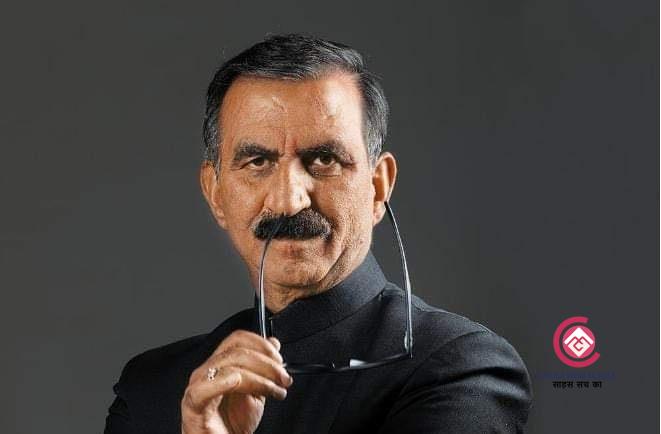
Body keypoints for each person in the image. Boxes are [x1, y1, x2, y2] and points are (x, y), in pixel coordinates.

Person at [103, 34, 533, 434]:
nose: (289, 202)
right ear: (216, 194)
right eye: (257, 162)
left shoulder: (460, 369)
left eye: (325, 159)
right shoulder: (152, 389)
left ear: (378, 187)